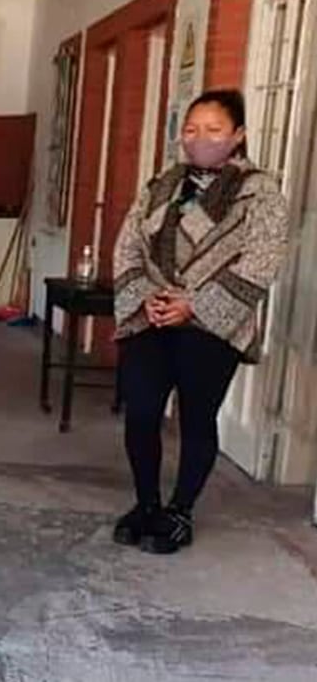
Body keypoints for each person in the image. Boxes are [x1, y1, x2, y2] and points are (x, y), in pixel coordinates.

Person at [111, 90, 288, 554]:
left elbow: (262, 260)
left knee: (196, 416)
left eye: (214, 130)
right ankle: (145, 504)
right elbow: (128, 244)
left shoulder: (260, 190)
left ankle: (180, 511)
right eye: (191, 130)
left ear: (238, 136)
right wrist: (146, 296)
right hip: (153, 315)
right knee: (143, 410)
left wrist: (196, 305)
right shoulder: (163, 184)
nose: (200, 139)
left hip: (214, 323)